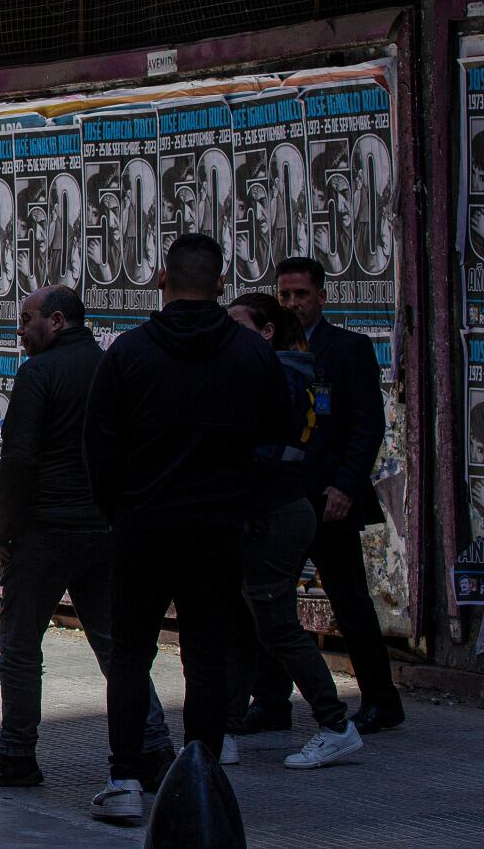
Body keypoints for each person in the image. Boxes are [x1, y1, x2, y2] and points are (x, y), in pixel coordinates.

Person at [83, 233, 294, 823]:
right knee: (206, 656)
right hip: (218, 529)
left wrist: (118, 511)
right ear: (222, 285)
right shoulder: (252, 355)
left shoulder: (128, 353)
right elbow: (280, 430)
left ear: (160, 279)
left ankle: (125, 779)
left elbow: (98, 447)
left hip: (143, 526)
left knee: (129, 656)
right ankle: (198, 778)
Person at [0, 285, 175, 790]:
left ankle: (16, 753)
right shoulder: (111, 368)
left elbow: (21, 458)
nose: (20, 329)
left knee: (19, 645)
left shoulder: (38, 373)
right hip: (103, 529)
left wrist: (3, 524)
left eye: (28, 318)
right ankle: (155, 748)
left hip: (46, 532)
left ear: (57, 321)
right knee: (118, 647)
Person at [240, 256, 402, 735]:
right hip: (281, 500)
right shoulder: (266, 350)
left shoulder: (347, 349)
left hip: (329, 500)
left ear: (321, 298)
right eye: (285, 295)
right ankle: (270, 702)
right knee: (269, 602)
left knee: (350, 603)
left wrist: (346, 487)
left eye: (301, 295)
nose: (293, 303)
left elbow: (365, 427)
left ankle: (380, 700)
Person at [222, 292, 362, 770]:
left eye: (237, 324)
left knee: (276, 625)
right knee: (240, 626)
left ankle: (335, 723)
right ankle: (223, 729)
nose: (227, 333)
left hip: (275, 513)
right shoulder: (285, 371)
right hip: (267, 510)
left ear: (265, 332)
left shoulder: (278, 375)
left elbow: (258, 448)